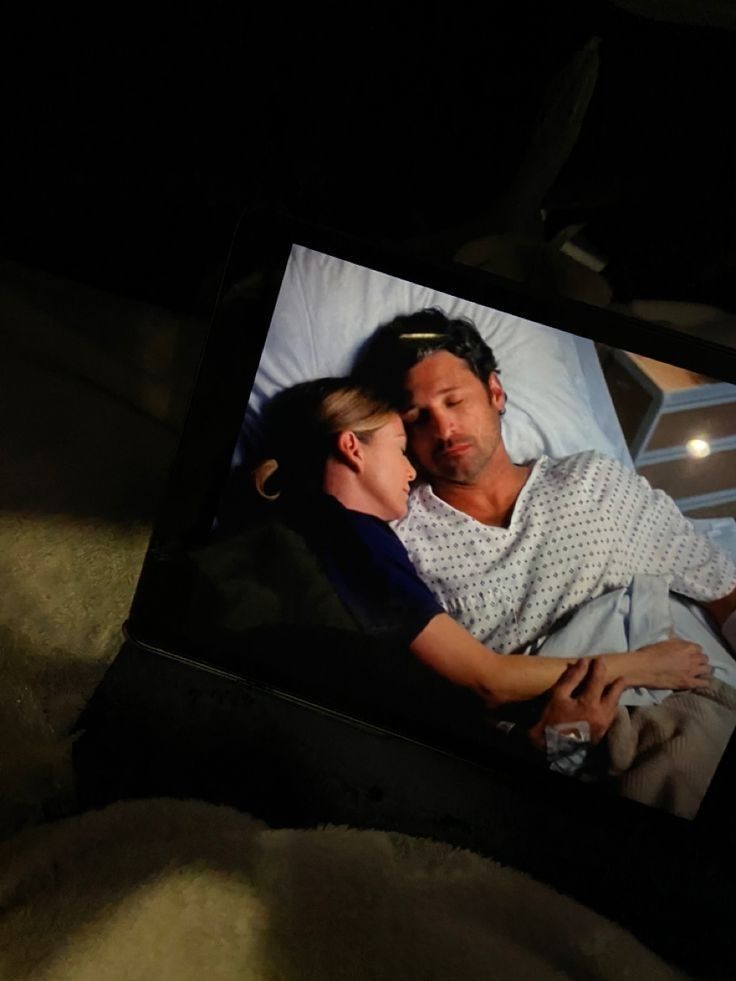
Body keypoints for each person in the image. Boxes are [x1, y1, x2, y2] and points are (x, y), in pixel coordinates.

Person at [251, 377, 709, 772]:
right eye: (400, 448)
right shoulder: (348, 538)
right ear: (353, 448)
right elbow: (487, 680)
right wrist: (645, 665)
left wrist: (560, 740)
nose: (412, 471)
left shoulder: (332, 530)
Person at [351, 309, 736, 670]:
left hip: (682, 685)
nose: (444, 428)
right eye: (418, 417)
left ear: (495, 393)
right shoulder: (404, 538)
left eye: (455, 401)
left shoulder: (595, 480)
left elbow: (721, 588)